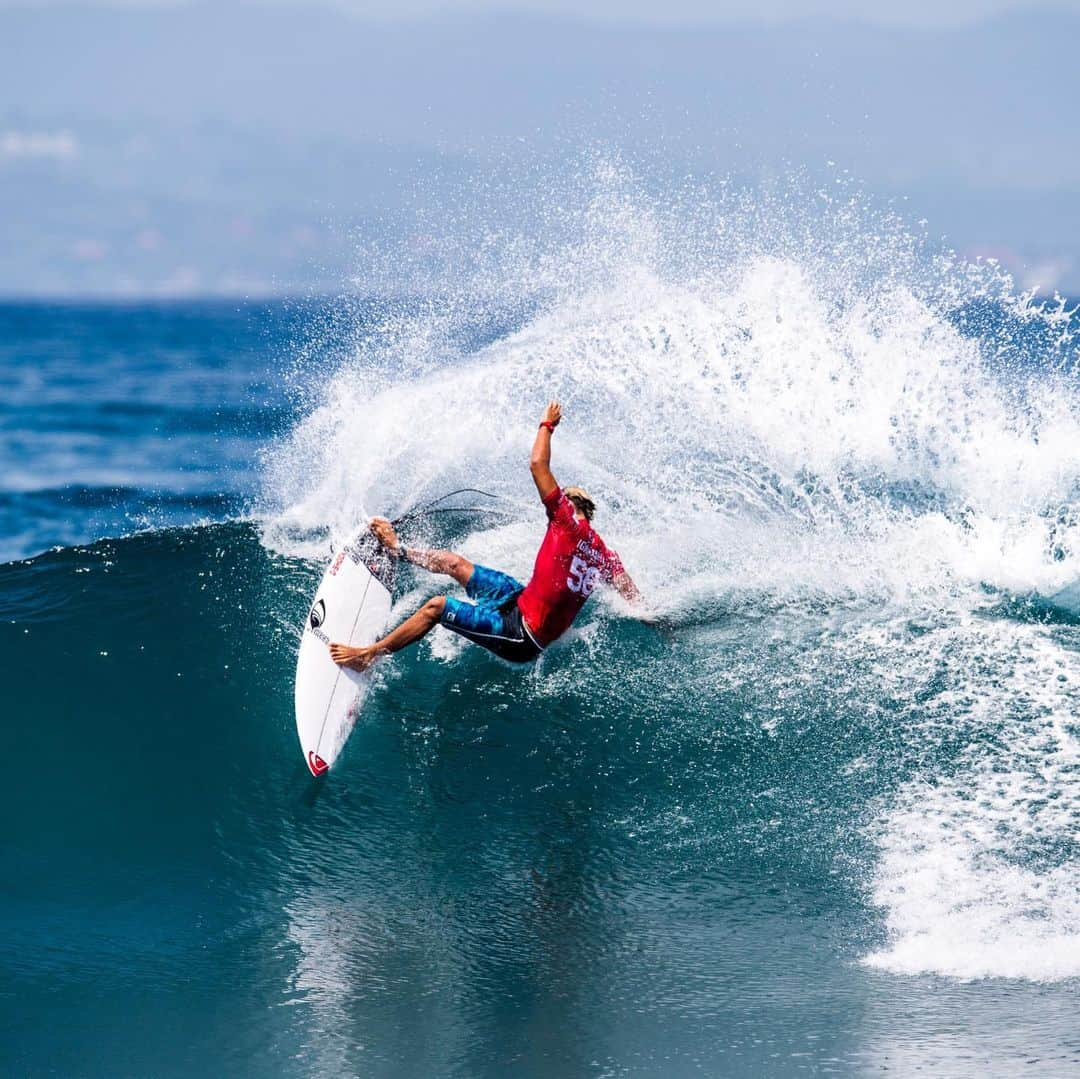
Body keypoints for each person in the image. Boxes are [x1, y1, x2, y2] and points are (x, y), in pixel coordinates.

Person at [329, 401, 640, 671]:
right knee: (455, 563)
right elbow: (631, 595)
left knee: (436, 607)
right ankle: (398, 549)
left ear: (569, 504)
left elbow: (537, 464)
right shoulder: (605, 555)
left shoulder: (564, 518)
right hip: (519, 600)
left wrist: (548, 424)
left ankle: (370, 655)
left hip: (521, 636)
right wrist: (658, 619)